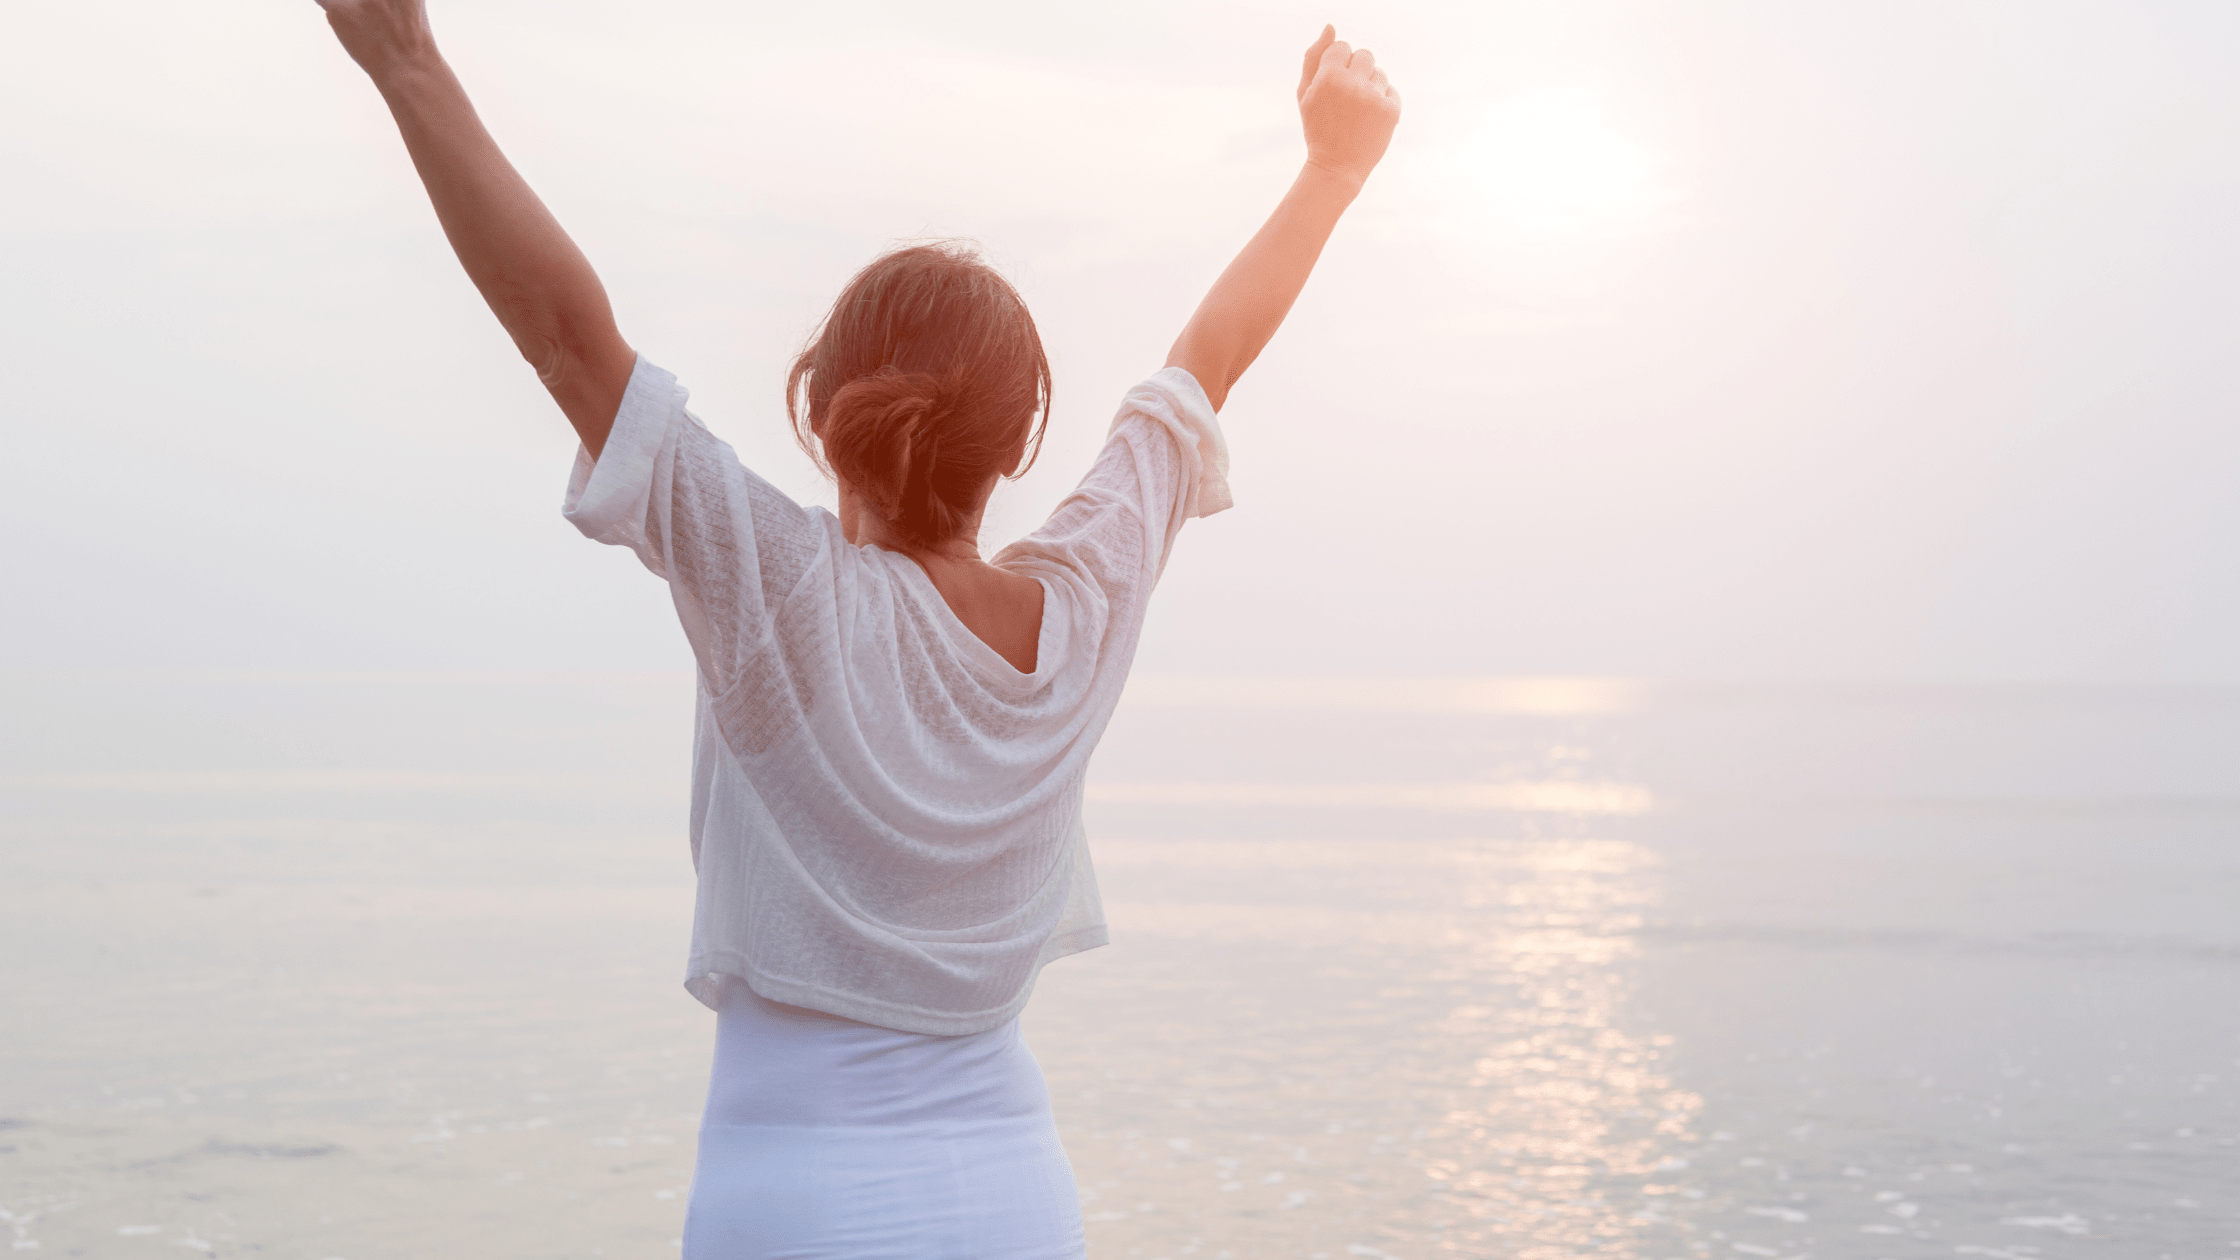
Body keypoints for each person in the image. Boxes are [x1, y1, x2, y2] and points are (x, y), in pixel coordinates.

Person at [312, 2, 1401, 1256]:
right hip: (1013, 1198)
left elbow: (566, 337)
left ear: (823, 411)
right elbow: (1206, 361)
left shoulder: (778, 589)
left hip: (793, 1203)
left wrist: (405, 62)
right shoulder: (1083, 607)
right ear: (1017, 442)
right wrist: (1333, 167)